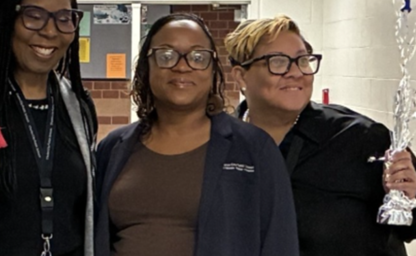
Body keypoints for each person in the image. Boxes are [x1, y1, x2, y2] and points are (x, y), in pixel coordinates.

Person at [224, 15, 416, 256]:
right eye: (278, 62)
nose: (296, 72)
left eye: (302, 60)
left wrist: (412, 196)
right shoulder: (220, 144)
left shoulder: (358, 138)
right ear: (241, 75)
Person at [95, 13, 299, 256]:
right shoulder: (113, 148)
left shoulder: (254, 148)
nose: (182, 66)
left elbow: (280, 242)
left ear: (213, 71)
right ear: (146, 67)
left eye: (198, 57)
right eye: (166, 56)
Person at [0, 0, 97, 256]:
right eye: (34, 17)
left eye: (64, 18)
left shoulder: (80, 108)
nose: (50, 31)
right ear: (7, 21)